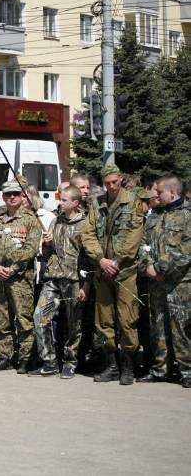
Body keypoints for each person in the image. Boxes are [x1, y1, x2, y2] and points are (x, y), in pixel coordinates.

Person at [81, 165, 145, 385]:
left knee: (127, 319)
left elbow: (134, 236)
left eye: (114, 182)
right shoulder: (97, 204)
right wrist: (100, 259)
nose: (111, 187)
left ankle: (128, 367)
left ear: (120, 180)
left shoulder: (133, 202)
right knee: (104, 320)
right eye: (107, 183)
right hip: (103, 271)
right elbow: (87, 233)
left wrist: (116, 261)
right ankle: (112, 366)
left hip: (124, 271)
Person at [30, 185, 90, 378]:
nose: (60, 202)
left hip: (74, 280)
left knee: (74, 323)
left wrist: (86, 284)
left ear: (75, 202)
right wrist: (47, 243)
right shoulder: (56, 221)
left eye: (64, 200)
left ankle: (70, 361)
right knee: (40, 316)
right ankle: (49, 361)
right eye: (60, 199)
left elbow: (89, 256)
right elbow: (48, 251)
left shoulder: (85, 224)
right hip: (53, 277)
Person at [137, 175, 191, 388]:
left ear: (173, 192)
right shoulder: (154, 217)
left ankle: (186, 370)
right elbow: (143, 245)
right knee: (158, 325)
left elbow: (186, 250)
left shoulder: (187, 216)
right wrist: (148, 266)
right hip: (155, 282)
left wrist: (161, 269)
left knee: (181, 327)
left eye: (159, 192)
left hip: (180, 283)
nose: (156, 195)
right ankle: (161, 369)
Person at [0, 180, 42, 373]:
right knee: (2, 321)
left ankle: (25, 358)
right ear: (3, 197)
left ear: (22, 195)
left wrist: (13, 268)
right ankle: (5, 357)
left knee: (23, 319)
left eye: (16, 194)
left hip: (20, 279)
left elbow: (31, 248)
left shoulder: (30, 219)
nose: (12, 197)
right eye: (8, 195)